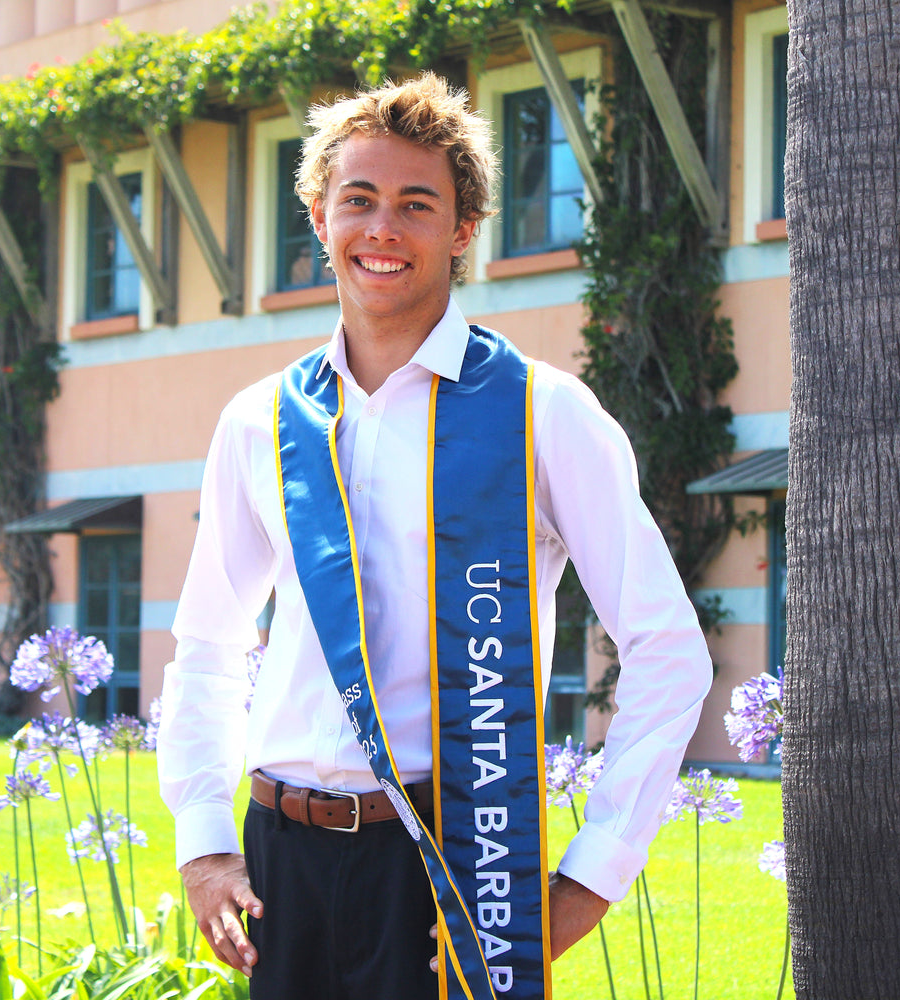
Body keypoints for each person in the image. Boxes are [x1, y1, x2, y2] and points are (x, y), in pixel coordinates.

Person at [157, 73, 711, 1000]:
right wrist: (206, 846)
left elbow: (667, 650)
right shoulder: (261, 421)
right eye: (358, 201)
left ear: (461, 231)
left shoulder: (543, 413)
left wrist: (589, 877)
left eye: (417, 205)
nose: (382, 229)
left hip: (457, 864)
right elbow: (208, 647)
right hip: (280, 866)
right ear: (320, 217)